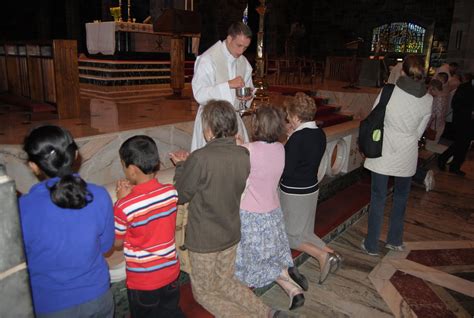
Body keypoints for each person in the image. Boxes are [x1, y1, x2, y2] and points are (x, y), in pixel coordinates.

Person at [170, 100, 287, 318]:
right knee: (226, 282)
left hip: (205, 240)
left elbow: (181, 194)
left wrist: (180, 166)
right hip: (231, 232)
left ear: (208, 129)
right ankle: (269, 313)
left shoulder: (200, 158)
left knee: (205, 293)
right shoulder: (243, 154)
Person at [19, 125, 115, 317]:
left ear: (34, 166)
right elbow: (106, 246)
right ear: (76, 154)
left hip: (52, 304)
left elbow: (21, 260)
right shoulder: (99, 195)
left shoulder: (23, 207)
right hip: (98, 297)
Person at [234, 105, 306, 310]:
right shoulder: (280, 148)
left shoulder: (248, 150)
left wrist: (239, 144)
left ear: (256, 125)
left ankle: (246, 305)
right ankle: (294, 290)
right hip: (273, 212)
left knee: (249, 262)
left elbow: (245, 170)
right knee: (269, 257)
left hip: (251, 215)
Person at [361, 55, 432, 255]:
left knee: (378, 197)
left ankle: (371, 244)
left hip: (384, 151)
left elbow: (374, 117)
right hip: (407, 153)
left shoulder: (389, 92)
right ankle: (394, 240)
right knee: (401, 197)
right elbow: (419, 133)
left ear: (402, 72)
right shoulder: (428, 99)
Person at [114, 135, 184, 318]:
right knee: (170, 311)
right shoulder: (171, 193)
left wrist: (122, 200)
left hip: (144, 282)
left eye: (123, 166)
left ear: (133, 170)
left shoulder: (124, 206)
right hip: (171, 273)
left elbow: (116, 243)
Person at [280, 92, 342, 285]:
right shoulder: (319, 133)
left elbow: (287, 170)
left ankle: (321, 256)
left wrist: (287, 144)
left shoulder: (297, 139)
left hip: (294, 192)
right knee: (305, 232)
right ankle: (332, 254)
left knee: (291, 237)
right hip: (311, 189)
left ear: (296, 117)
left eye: (289, 116)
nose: (287, 119)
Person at [190, 21, 254, 151]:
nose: (241, 51)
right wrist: (228, 85)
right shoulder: (208, 58)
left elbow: (246, 93)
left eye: (245, 48)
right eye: (239, 45)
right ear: (229, 38)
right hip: (210, 123)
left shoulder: (244, 64)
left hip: (233, 120)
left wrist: (246, 99)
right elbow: (200, 93)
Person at [438, 73, 474, 176]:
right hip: (462, 121)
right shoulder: (464, 87)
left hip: (470, 123)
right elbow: (456, 104)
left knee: (464, 145)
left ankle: (454, 165)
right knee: (460, 143)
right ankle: (446, 160)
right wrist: (470, 112)